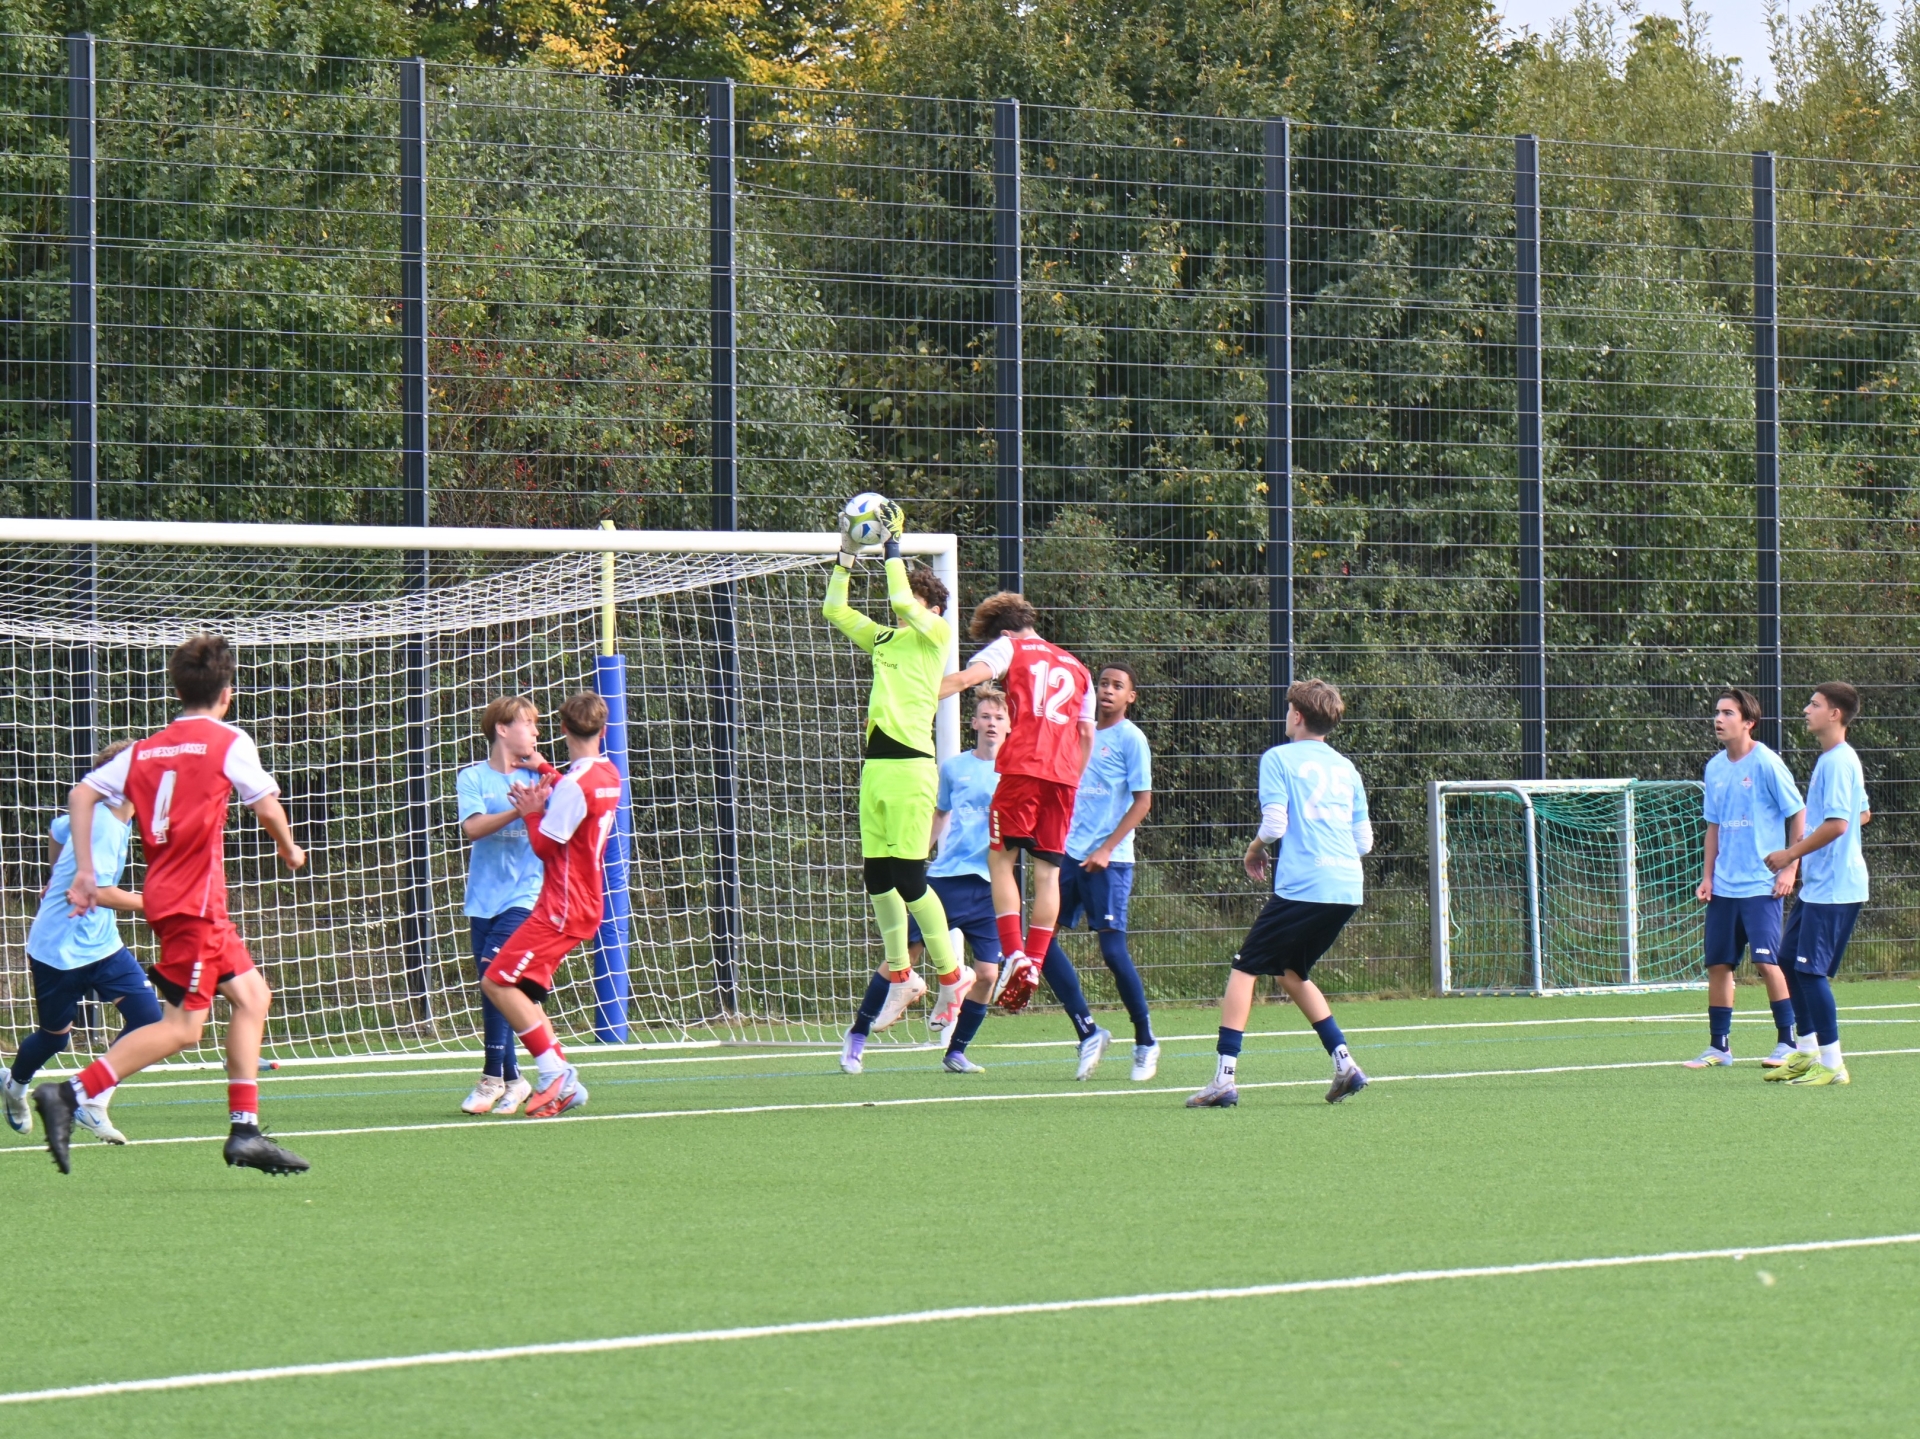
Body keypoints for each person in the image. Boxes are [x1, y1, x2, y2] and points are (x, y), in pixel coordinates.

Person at [35, 635, 310, 1175]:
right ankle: (68, 1095)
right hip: (193, 905)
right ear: (227, 694)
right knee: (184, 1027)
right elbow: (266, 805)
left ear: (177, 690)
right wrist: (288, 846)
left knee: (253, 997)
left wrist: (85, 870)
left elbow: (81, 795)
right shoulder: (228, 740)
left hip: (179, 899)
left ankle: (245, 1131)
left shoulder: (145, 749)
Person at [824, 505, 974, 1076]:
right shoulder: (887, 639)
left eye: (915, 599)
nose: (903, 605)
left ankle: (951, 975)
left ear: (932, 608)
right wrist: (846, 555)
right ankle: (902, 974)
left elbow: (902, 602)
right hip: (876, 770)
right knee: (877, 878)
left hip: (913, 769)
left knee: (911, 879)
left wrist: (892, 547)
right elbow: (834, 609)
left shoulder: (935, 635)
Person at [1189, 679, 1372, 1109]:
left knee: (1245, 967)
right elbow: (1363, 841)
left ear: (1297, 716)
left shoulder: (1278, 758)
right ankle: (1344, 1064)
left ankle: (1223, 1079)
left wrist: (1254, 849)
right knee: (1291, 972)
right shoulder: (1346, 768)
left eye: (1289, 709)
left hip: (1305, 885)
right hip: (1347, 887)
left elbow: (1274, 824)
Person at [941, 592, 1096, 1019]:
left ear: (1005, 632)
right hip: (1064, 779)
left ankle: (1014, 954)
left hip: (1022, 769)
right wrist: (1071, 776)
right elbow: (1086, 735)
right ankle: (1036, 961)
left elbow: (969, 679)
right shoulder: (1078, 667)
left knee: (1000, 859)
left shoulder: (1010, 647)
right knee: (1048, 874)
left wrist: (912, 698)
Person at [2, 741, 159, 1146]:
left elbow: (58, 828)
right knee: (56, 1037)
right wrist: (159, 904)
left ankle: (92, 1099)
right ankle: (15, 1087)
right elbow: (100, 892)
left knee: (150, 1019)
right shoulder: (104, 824)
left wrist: (55, 871)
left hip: (103, 944)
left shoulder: (110, 816)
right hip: (60, 948)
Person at [480, 691, 624, 1118]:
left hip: (562, 905)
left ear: (562, 729)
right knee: (522, 990)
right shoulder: (607, 773)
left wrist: (530, 810)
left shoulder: (576, 785)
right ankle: (560, 1077)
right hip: (582, 900)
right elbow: (576, 796)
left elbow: (546, 846)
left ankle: (554, 1073)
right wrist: (545, 769)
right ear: (604, 729)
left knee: (496, 982)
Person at [1036, 663, 1159, 1082]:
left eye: (1117, 685)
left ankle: (1145, 1040)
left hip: (1111, 860)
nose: (1107, 690)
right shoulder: (1077, 732)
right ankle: (1088, 1032)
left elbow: (1143, 801)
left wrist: (1106, 848)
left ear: (1130, 697)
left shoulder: (1131, 739)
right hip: (1068, 854)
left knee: (1112, 952)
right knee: (1040, 940)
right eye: (1103, 683)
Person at [1685, 688, 1805, 1070]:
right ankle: (1719, 1047)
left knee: (1768, 963)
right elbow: (1713, 826)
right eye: (1717, 712)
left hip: (1761, 884)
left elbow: (1798, 812)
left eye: (1728, 713)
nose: (1718, 719)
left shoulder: (1766, 762)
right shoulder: (1714, 768)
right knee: (1719, 965)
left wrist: (1790, 868)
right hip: (1724, 886)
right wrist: (1707, 877)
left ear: (1748, 722)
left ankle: (1788, 1042)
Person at [1763, 682, 1871, 1086]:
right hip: (1820, 886)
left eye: (1815, 704)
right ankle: (1806, 1051)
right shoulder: (1831, 759)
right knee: (1789, 958)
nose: (1806, 710)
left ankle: (1832, 1064)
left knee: (1810, 972)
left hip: (1836, 888)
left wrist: (1791, 854)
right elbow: (1861, 814)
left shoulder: (1839, 761)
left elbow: (1840, 824)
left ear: (1835, 714)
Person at [901, 689, 1006, 1071]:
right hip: (948, 877)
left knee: (988, 974)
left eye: (999, 717)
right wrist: (915, 858)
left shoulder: (1017, 770)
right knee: (908, 951)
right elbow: (940, 813)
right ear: (974, 723)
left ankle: (956, 1052)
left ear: (1009, 727)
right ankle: (865, 1028)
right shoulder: (954, 767)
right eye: (986, 716)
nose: (992, 723)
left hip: (992, 885)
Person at [455, 696, 548, 1116]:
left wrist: (545, 778)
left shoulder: (540, 776)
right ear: (503, 729)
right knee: (494, 987)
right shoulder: (473, 777)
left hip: (526, 898)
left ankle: (491, 1076)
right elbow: (473, 828)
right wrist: (518, 810)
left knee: (496, 975)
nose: (536, 732)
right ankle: (514, 1079)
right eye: (528, 723)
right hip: (482, 901)